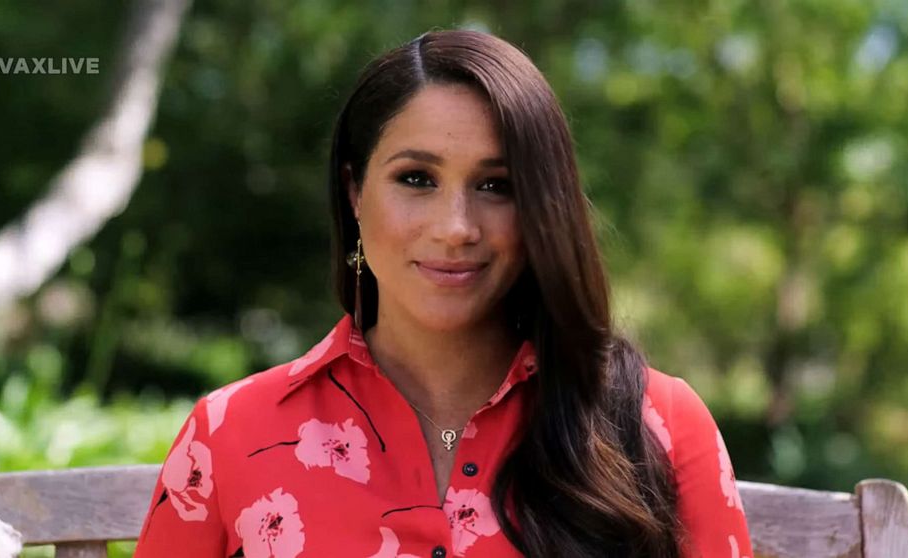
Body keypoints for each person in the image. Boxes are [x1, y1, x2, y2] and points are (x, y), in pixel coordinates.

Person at [133, 29, 754, 558]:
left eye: (496, 186)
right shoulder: (230, 434)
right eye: (416, 179)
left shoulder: (659, 424)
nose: (456, 227)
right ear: (354, 193)